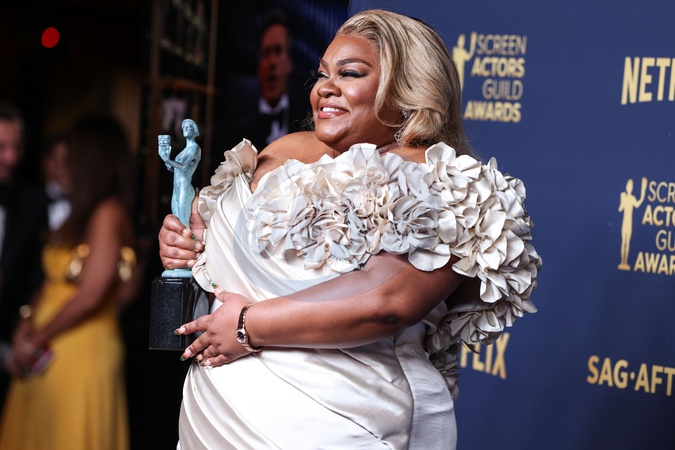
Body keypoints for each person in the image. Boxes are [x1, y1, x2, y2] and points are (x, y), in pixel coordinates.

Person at [159, 9, 542, 449]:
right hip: (214, 417)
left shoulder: (446, 182)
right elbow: (224, 249)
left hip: (335, 425)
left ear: (409, 88)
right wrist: (187, 245)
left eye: (350, 73)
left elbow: (387, 302)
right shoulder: (284, 150)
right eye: (323, 74)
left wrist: (247, 326)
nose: (325, 87)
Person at [0, 114, 136, 450]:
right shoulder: (79, 212)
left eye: (73, 153)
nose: (66, 162)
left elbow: (91, 294)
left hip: (80, 350)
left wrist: (35, 340)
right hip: (47, 348)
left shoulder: (108, 212)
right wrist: (26, 324)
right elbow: (51, 281)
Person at [0, 101, 49, 409]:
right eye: (1, 147)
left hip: (9, 353)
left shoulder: (33, 202)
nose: (11, 157)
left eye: (16, 147)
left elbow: (38, 277)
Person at [225, 8, 310, 155]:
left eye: (278, 51)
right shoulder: (236, 131)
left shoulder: (308, 124)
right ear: (259, 66)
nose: (272, 62)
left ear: (289, 63)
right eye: (266, 53)